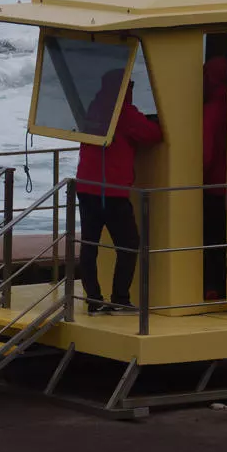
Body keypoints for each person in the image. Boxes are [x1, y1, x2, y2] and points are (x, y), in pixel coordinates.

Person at [74, 74, 163, 313]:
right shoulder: (123, 112)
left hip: (86, 186)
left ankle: (93, 299)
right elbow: (152, 134)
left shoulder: (93, 107)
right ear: (124, 88)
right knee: (128, 244)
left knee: (89, 245)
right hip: (111, 190)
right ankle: (120, 298)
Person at [200, 54, 227, 300]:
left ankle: (211, 286)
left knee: (210, 242)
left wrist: (195, 177)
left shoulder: (211, 110)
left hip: (212, 187)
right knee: (225, 240)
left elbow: (205, 152)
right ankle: (225, 285)